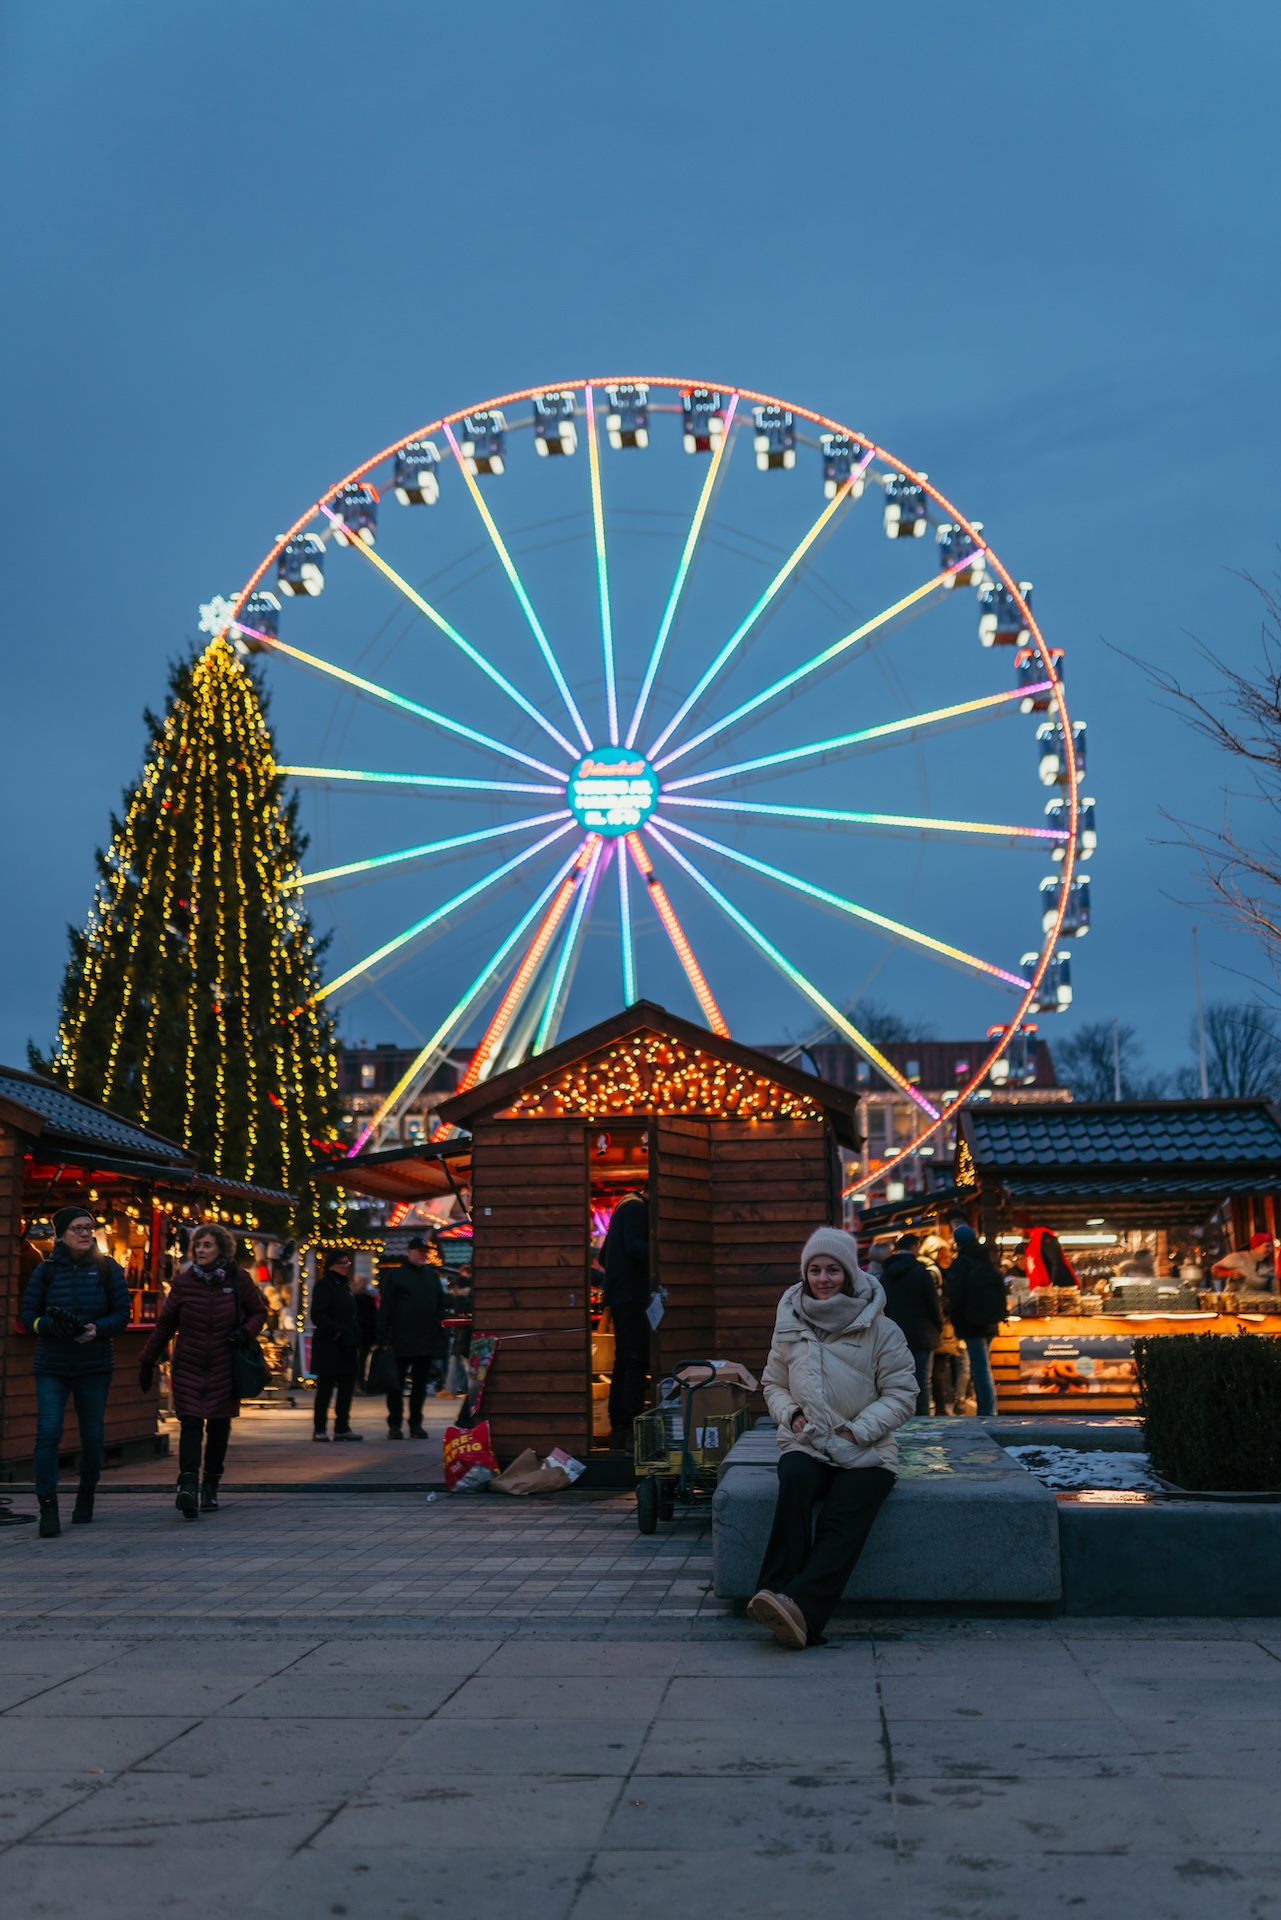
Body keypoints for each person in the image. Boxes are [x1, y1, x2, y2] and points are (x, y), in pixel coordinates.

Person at [748, 1227, 917, 1649]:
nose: (823, 1278)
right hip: (806, 1443)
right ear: (805, 1275)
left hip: (867, 1448)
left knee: (843, 1515)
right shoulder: (789, 1324)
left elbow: (903, 1394)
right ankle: (774, 1593)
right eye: (815, 1270)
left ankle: (800, 1608)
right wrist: (793, 1414)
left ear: (850, 1274)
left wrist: (856, 1430)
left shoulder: (883, 1330)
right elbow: (773, 1384)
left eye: (833, 1270)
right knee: (796, 1482)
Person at [139, 1222, 266, 1517]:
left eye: (207, 1245)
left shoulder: (238, 1279)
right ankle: (187, 1486)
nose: (200, 1250)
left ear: (221, 1248)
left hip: (226, 1365)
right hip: (189, 1366)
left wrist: (245, 1332)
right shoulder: (183, 1283)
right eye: (197, 1245)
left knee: (219, 1428)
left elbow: (259, 1311)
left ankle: (210, 1486)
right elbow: (166, 1324)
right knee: (191, 1425)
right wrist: (148, 1360)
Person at [21, 1205, 131, 1538]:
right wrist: (49, 1325)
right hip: (52, 1365)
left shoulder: (108, 1269)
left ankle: (86, 1494)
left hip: (94, 1365)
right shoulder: (46, 1270)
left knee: (93, 1436)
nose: (85, 1233)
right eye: (77, 1228)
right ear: (61, 1234)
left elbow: (122, 1314)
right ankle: (48, 1508)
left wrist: (98, 1328)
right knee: (48, 1433)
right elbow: (29, 1316)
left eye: (89, 1227)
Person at [376, 1236, 448, 1438]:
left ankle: (416, 1423)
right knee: (395, 1385)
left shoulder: (431, 1277)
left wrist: (439, 1324)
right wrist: (383, 1336)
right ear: (409, 1252)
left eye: (426, 1252)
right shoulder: (396, 1276)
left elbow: (440, 1304)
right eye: (420, 1251)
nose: (424, 1255)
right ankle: (395, 1424)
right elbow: (386, 1307)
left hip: (425, 1339)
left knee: (420, 1386)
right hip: (400, 1339)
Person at [600, 1189, 650, 1446]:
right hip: (633, 1294)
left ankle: (619, 1424)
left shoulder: (624, 1204)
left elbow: (603, 1253)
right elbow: (634, 1246)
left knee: (625, 1360)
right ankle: (633, 1428)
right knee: (636, 1361)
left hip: (621, 1295)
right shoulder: (637, 1207)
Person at [946, 1223, 1008, 1417]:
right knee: (983, 1368)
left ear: (958, 1242)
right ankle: (988, 1409)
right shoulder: (987, 1260)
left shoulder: (961, 1263)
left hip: (971, 1324)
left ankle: (988, 1412)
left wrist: (955, 1320)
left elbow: (956, 1296)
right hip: (989, 1322)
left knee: (980, 1370)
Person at [878, 1233, 943, 1415]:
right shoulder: (921, 1272)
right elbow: (933, 1303)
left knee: (899, 1378)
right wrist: (938, 1326)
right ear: (915, 1247)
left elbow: (883, 1304)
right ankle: (922, 1416)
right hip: (924, 1333)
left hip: (895, 1333)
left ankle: (902, 1415)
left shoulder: (887, 1274)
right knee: (922, 1379)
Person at [311, 1250, 364, 1442]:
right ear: (331, 1265)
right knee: (325, 1388)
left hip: (347, 1345)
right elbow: (317, 1314)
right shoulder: (324, 1286)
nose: (344, 1266)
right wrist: (337, 1331)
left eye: (346, 1263)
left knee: (346, 1387)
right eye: (341, 1263)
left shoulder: (345, 1286)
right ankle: (320, 1428)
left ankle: (342, 1426)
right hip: (330, 1344)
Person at [919, 1234, 967, 1416]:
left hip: (932, 1325)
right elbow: (937, 1300)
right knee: (935, 1368)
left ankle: (936, 1406)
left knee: (935, 1368)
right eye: (944, 1253)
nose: (947, 1257)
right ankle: (938, 1407)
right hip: (936, 1325)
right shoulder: (933, 1272)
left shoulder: (927, 1269)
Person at [442, 1262, 473, 1395]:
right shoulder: (471, 1294)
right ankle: (458, 1387)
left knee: (461, 1361)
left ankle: (452, 1388)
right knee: (462, 1361)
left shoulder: (458, 1297)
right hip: (467, 1331)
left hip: (461, 1332)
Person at [350, 1269, 379, 1391]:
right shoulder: (369, 1296)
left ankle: (357, 1381)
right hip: (366, 1330)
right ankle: (360, 1381)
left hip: (359, 1331)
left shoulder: (354, 1296)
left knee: (359, 1358)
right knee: (363, 1357)